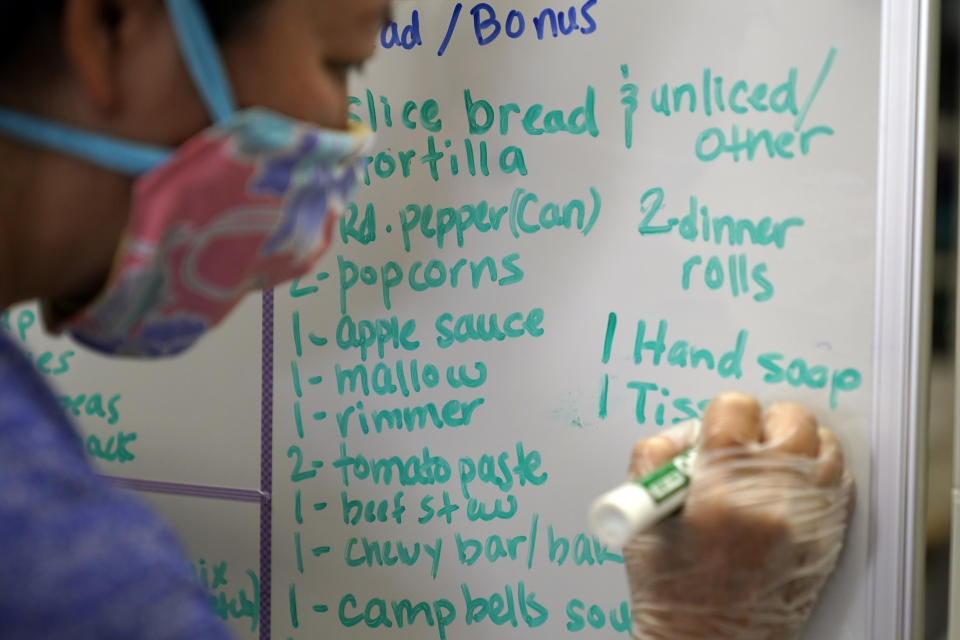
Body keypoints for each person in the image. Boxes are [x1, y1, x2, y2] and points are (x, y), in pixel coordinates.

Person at [0, 1, 854, 639]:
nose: (347, 135)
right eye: (342, 67)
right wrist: (701, 625)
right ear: (109, 26)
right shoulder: (49, 553)